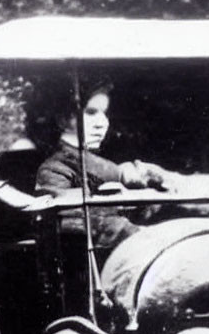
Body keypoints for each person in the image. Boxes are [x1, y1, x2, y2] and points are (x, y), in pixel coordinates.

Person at [33, 79, 176, 248]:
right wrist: (143, 237)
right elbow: (72, 220)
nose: (102, 123)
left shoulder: (99, 163)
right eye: (91, 112)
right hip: (98, 260)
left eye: (105, 114)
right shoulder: (55, 170)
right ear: (63, 120)